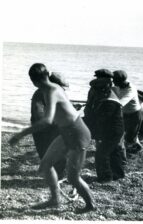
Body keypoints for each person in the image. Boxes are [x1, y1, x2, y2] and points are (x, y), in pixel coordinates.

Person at [9, 63, 95, 213]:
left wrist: (21, 134)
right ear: (47, 74)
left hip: (77, 133)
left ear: (33, 81)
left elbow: (47, 120)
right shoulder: (52, 88)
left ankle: (91, 205)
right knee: (45, 165)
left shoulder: (50, 90)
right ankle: (55, 199)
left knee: (73, 177)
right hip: (67, 132)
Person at [31, 72, 69, 180]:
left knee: (60, 152)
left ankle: (59, 175)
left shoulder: (53, 93)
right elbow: (38, 114)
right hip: (43, 130)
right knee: (46, 152)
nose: (63, 89)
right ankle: (54, 176)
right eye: (61, 87)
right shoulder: (40, 94)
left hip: (54, 127)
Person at [89, 78, 125, 183]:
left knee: (102, 154)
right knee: (114, 152)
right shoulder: (109, 96)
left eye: (95, 90)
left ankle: (106, 178)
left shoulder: (110, 102)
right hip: (115, 130)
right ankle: (118, 174)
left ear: (102, 90)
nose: (93, 92)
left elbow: (102, 119)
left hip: (113, 131)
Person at [112, 70, 143, 153]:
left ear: (120, 81)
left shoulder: (130, 90)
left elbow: (120, 104)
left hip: (135, 114)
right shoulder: (122, 84)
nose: (113, 83)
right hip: (125, 113)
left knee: (130, 137)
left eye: (114, 81)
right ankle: (136, 147)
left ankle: (130, 150)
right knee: (124, 133)